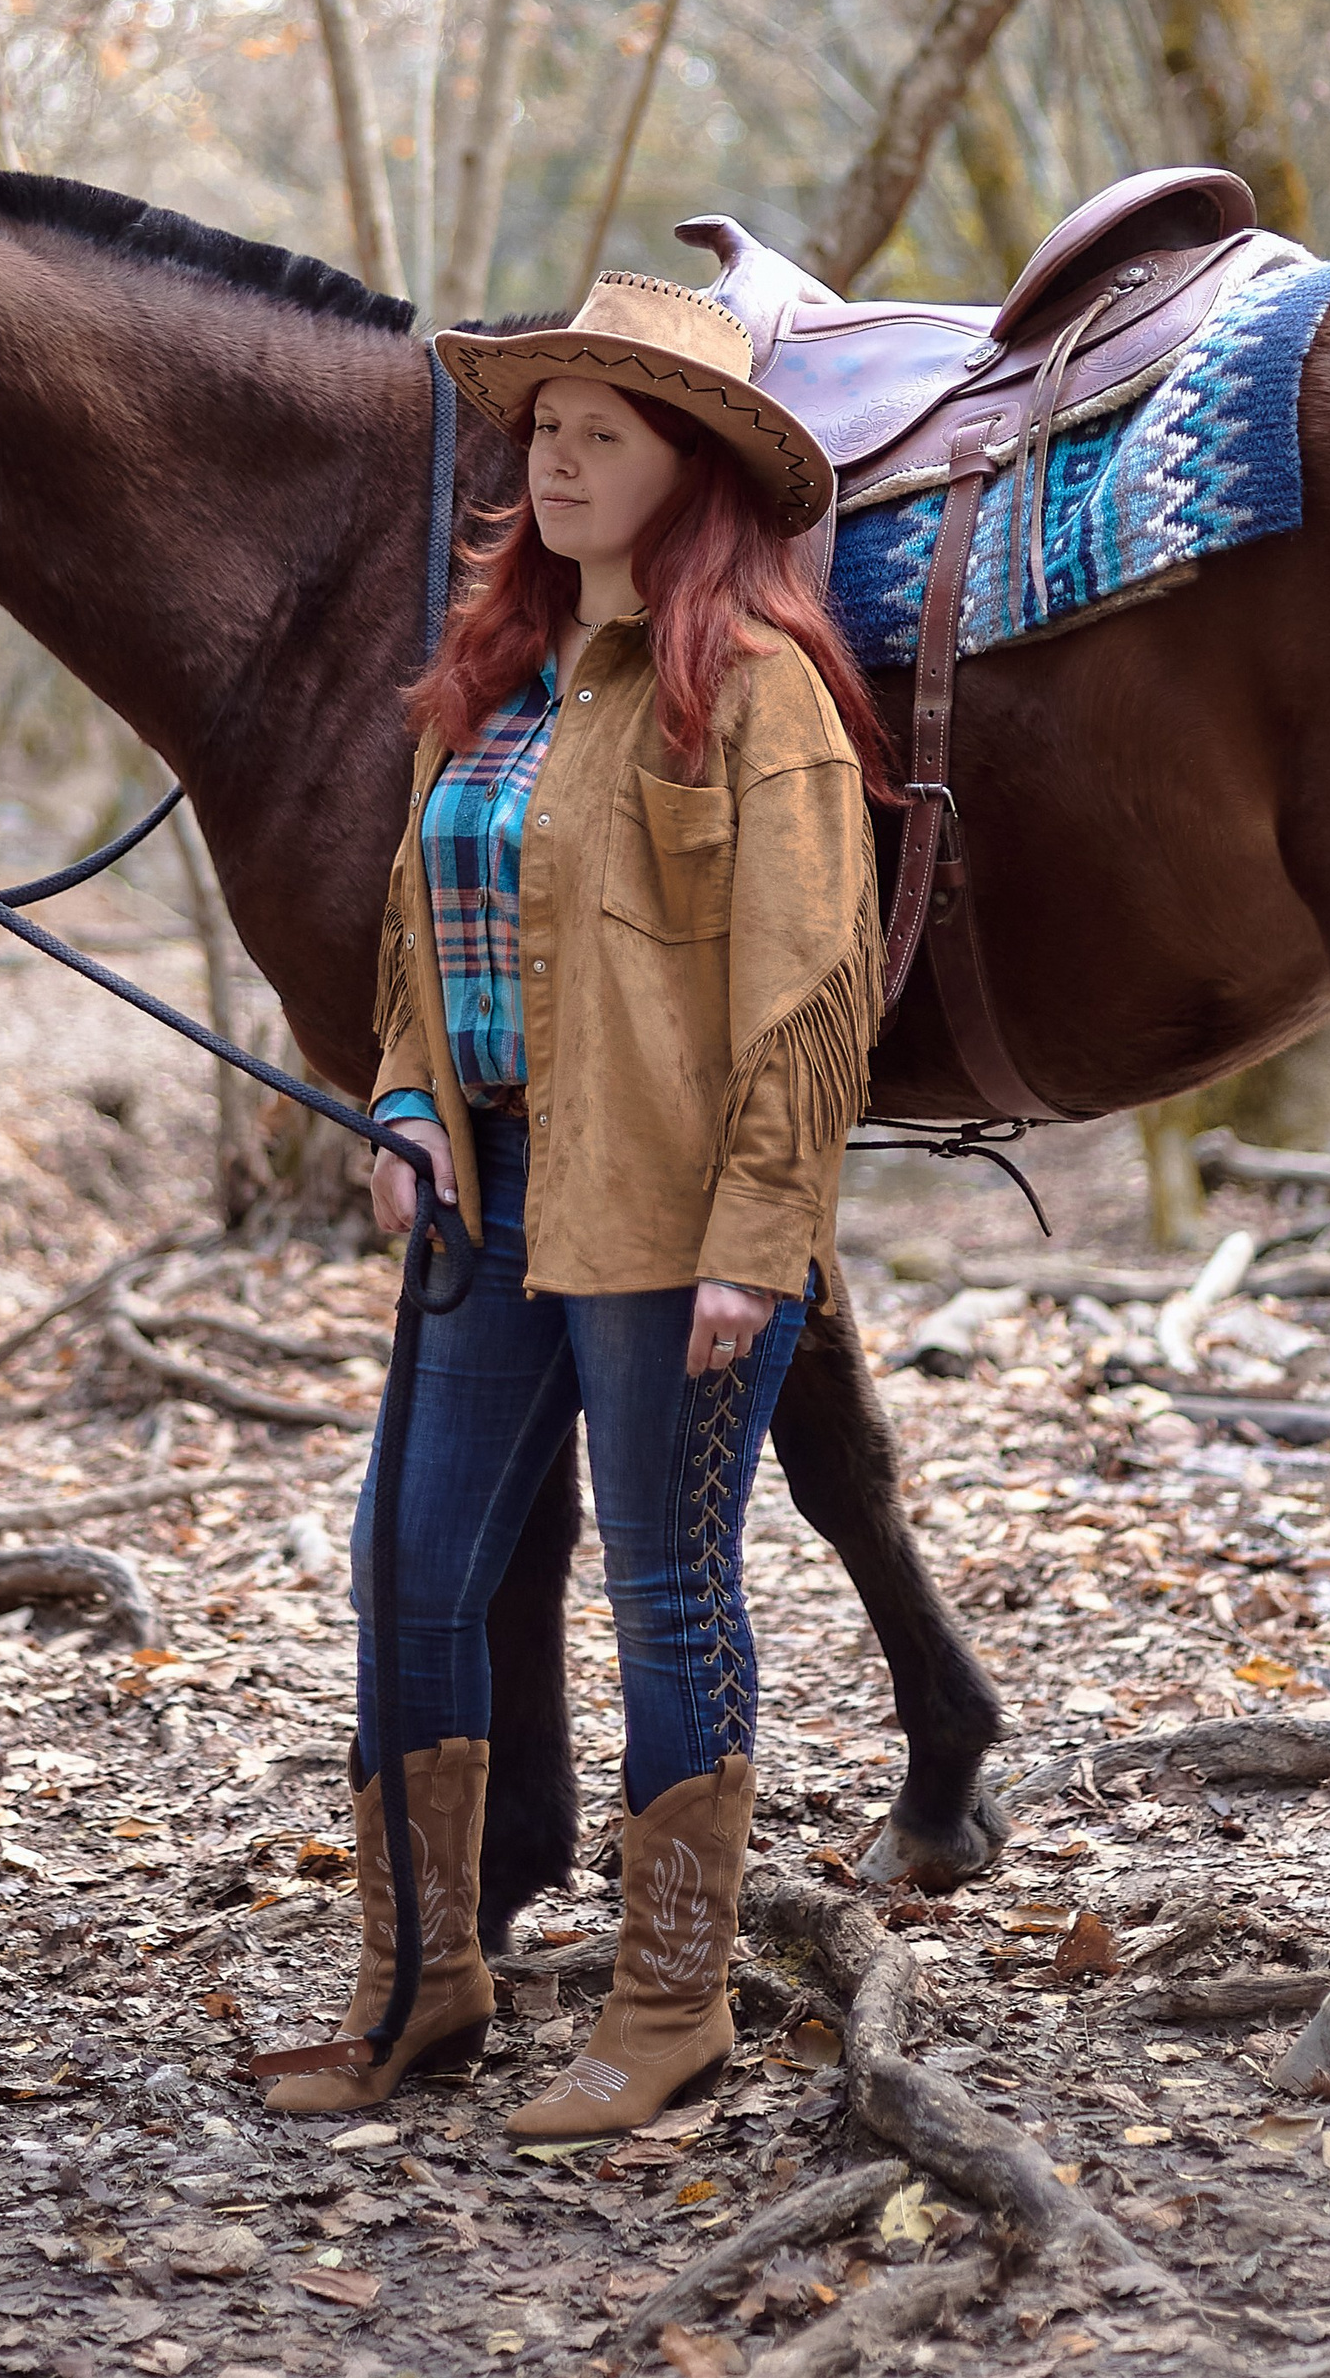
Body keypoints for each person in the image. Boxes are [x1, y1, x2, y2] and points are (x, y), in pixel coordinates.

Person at [262, 268, 896, 2133]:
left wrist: (753, 1240)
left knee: (666, 1590)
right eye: (541, 431)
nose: (552, 459)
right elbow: (414, 924)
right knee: (411, 1568)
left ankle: (667, 2005)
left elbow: (808, 988)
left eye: (597, 433)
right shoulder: (495, 686)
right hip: (491, 1195)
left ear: (686, 469)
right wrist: (401, 1093)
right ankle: (421, 1982)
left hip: (676, 1215)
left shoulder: (756, 693)